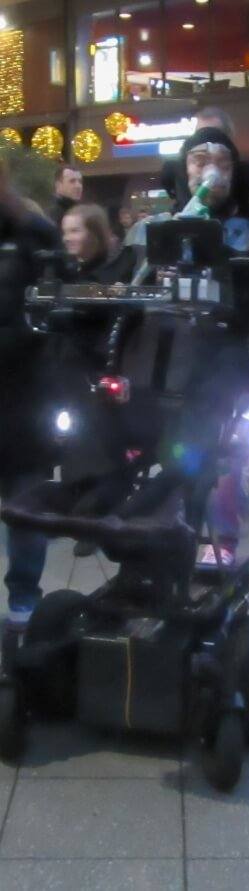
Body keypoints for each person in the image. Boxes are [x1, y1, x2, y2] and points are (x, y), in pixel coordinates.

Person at [131, 127, 249, 567]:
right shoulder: (149, 232)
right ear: (182, 170)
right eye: (198, 159)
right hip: (158, 361)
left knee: (217, 445)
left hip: (223, 363)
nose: (209, 169)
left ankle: (218, 538)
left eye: (222, 162)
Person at [0, 164, 61, 630]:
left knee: (25, 500)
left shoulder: (32, 232)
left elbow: (57, 307)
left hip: (23, 392)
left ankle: (24, 597)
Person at [61, 204, 136, 284]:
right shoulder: (69, 269)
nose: (66, 238)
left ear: (95, 233)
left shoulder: (128, 263)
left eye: (74, 231)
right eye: (64, 232)